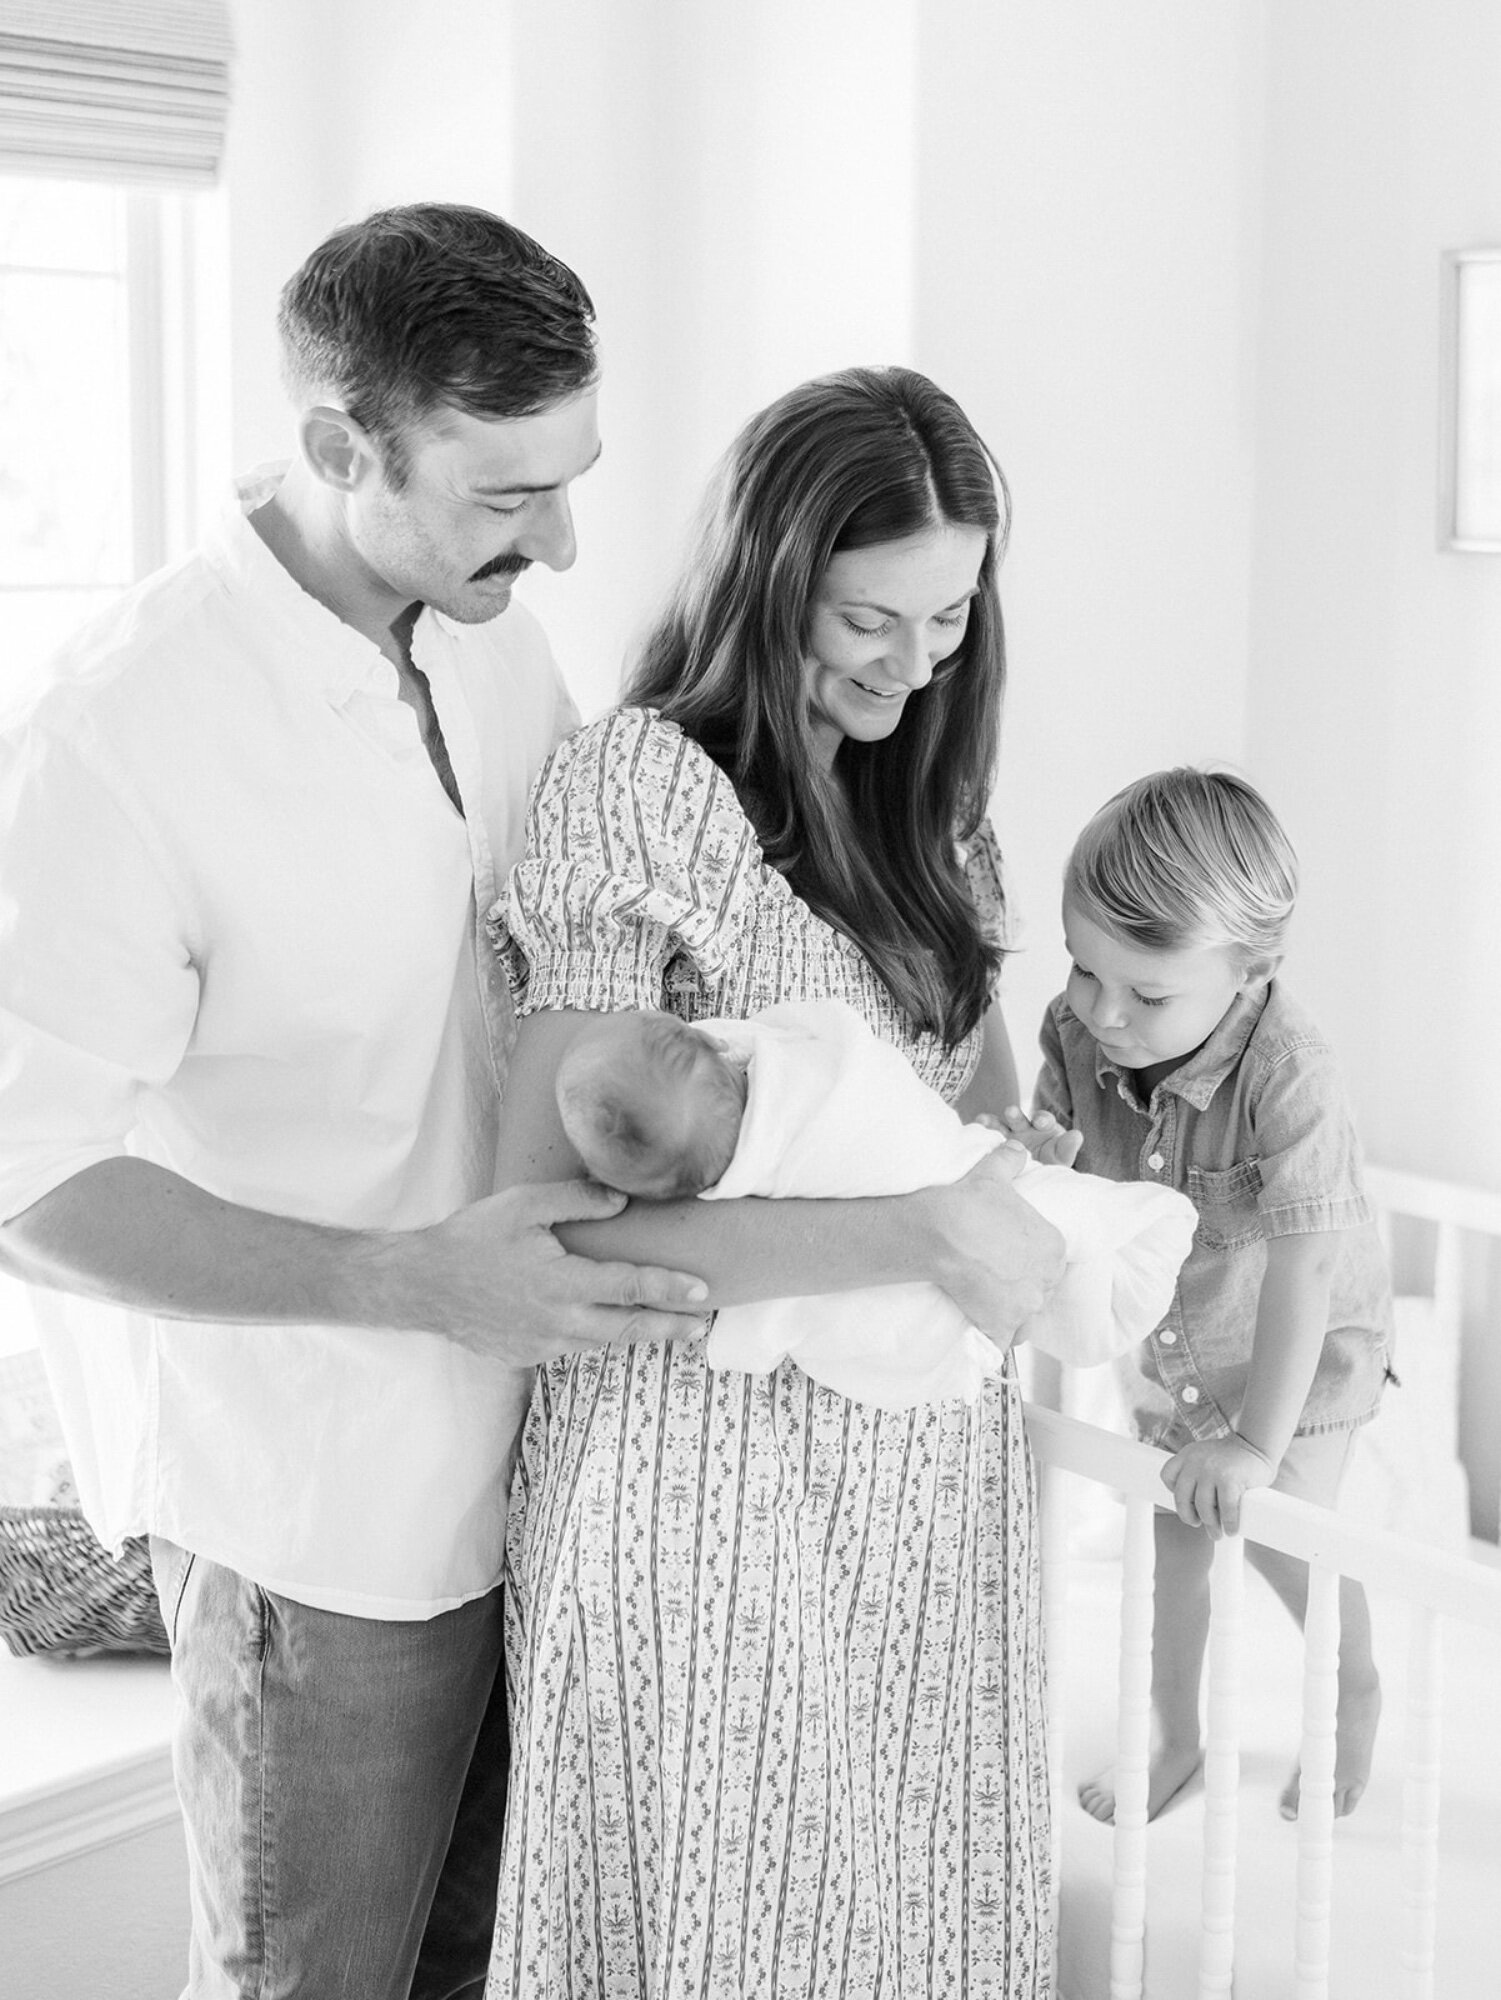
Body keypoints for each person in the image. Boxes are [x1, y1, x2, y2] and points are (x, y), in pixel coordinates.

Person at [0, 204, 725, 2000]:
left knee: (494, 1964)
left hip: (545, 1467)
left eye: (572, 481)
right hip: (320, 1522)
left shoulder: (492, 639)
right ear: (341, 449)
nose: (558, 542)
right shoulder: (116, 739)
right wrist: (408, 1283)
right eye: (504, 495)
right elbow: (26, 1180)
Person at [484, 365, 1065, 1997]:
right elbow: (556, 1219)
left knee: (909, 1938)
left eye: (949, 617)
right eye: (867, 618)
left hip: (924, 1494)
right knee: (735, 1940)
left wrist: (1030, 1186)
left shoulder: (938, 832)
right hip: (702, 1480)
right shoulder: (648, 787)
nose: (913, 662)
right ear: (767, 579)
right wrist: (924, 1230)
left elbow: (985, 1137)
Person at [1026, 768, 1393, 1825]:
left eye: (1145, 995)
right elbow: (1078, 1191)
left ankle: (1352, 1688)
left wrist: (1256, 1444)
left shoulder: (1289, 1071)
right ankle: (1175, 1735)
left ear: (1251, 968)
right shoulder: (1077, 1027)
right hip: (1181, 1341)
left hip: (1303, 1351)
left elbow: (1308, 1270)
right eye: (1084, 971)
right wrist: (1041, 1162)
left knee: (1284, 1534)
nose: (1103, 1014)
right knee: (1169, 1549)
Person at [556, 997, 1199, 1404]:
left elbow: (918, 1124)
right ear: (719, 1045)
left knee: (1055, 1247)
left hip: (974, 1211)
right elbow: (567, 1232)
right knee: (1109, 1240)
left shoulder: (958, 852)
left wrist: (998, 1149)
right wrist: (943, 1222)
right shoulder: (801, 1072)